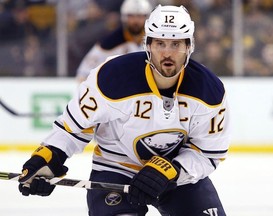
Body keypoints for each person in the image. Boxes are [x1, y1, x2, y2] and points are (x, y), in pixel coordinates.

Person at [18, 4, 231, 216]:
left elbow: (208, 153)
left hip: (175, 174)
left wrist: (171, 170)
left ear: (189, 46)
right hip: (115, 168)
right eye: (160, 43)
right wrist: (50, 156)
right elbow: (72, 128)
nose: (167, 53)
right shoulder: (111, 77)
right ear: (148, 45)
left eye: (176, 44)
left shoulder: (209, 92)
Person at [76, 0, 153, 82]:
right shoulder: (110, 43)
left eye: (140, 16)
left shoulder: (154, 41)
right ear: (124, 17)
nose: (136, 21)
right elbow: (83, 73)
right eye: (131, 16)